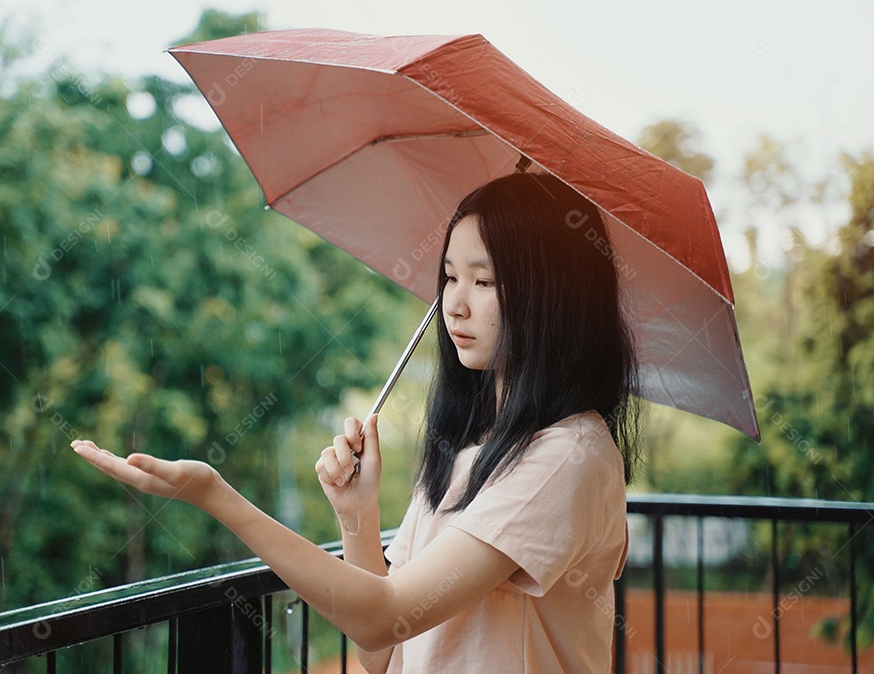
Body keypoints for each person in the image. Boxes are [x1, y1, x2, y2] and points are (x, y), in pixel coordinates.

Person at [72, 172, 641, 673]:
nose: (455, 304)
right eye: (449, 277)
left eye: (485, 281)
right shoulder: (471, 445)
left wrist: (215, 495)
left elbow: (384, 618)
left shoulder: (566, 456)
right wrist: (357, 516)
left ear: (553, 295)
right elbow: (380, 651)